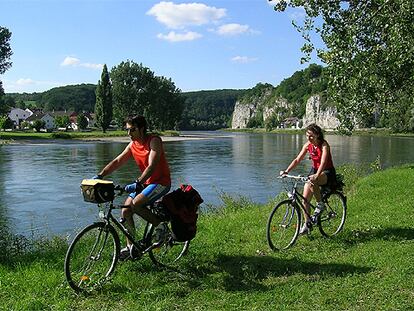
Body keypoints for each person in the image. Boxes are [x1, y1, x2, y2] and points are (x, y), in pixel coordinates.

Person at [93, 115, 171, 260]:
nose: (129, 133)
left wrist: (138, 181)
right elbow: (117, 161)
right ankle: (131, 248)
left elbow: (152, 165)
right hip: (145, 183)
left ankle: (162, 228)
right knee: (125, 210)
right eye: (127, 130)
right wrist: (101, 175)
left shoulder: (154, 141)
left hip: (160, 182)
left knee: (136, 204)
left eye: (132, 130)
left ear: (142, 128)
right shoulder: (132, 145)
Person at [280, 123, 336, 235]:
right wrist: (286, 171)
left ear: (317, 135)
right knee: (305, 200)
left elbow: (324, 162)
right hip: (314, 171)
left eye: (311, 136)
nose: (309, 138)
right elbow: (297, 160)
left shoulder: (324, 145)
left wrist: (317, 175)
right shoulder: (307, 145)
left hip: (327, 171)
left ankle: (320, 204)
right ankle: (307, 224)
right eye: (307, 136)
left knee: (312, 181)